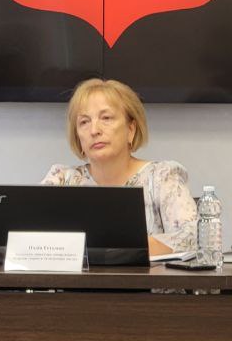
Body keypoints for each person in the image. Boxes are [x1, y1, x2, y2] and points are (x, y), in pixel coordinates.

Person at [41, 78, 199, 257]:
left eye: (106, 118)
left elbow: (192, 237)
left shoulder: (161, 177)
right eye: (84, 122)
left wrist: (115, 248)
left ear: (131, 129)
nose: (94, 130)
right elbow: (26, 236)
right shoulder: (62, 179)